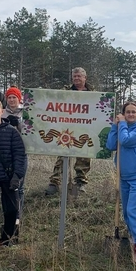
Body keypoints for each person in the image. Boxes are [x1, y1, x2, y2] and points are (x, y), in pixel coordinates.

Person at [107, 101, 136, 260]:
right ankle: (134, 237)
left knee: (133, 212)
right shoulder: (122, 127)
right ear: (124, 113)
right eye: (128, 112)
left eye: (134, 112)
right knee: (126, 212)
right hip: (124, 177)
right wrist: (115, 126)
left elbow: (125, 141)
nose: (131, 114)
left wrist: (123, 124)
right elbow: (111, 144)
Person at [0, 98, 27, 251]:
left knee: (12, 210)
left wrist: (17, 176)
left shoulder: (12, 132)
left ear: (2, 111)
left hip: (8, 178)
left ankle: (6, 241)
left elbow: (19, 155)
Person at [45, 67, 93, 196]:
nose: (76, 78)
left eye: (79, 76)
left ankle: (80, 182)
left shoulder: (93, 93)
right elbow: (56, 99)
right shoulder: (66, 90)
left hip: (84, 127)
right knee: (62, 154)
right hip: (66, 127)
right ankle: (55, 183)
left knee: (84, 155)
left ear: (85, 78)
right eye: (74, 76)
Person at [1, 86, 27, 233]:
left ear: (19, 98)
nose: (11, 100)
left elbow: (30, 131)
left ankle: (18, 216)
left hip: (21, 152)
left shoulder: (25, 113)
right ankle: (6, 215)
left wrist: (18, 124)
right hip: (5, 153)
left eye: (14, 97)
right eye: (9, 97)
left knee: (20, 186)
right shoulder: (2, 112)